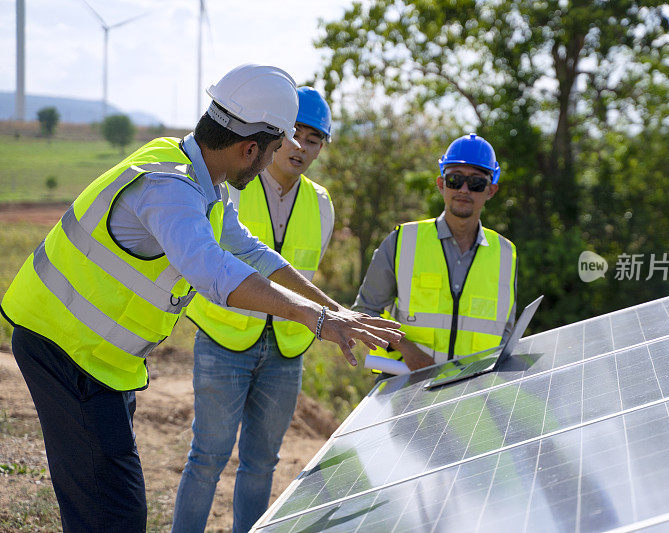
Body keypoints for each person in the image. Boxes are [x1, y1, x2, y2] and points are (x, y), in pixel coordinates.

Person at [0, 64, 401, 533]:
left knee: (100, 502)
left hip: (99, 358)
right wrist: (315, 320)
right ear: (250, 147)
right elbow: (217, 273)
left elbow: (249, 250)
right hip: (65, 347)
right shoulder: (170, 188)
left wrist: (331, 309)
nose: (277, 156)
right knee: (114, 514)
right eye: (274, 147)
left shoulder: (201, 180)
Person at [172, 87, 335, 532]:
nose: (302, 146)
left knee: (262, 463)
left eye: (315, 138)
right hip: (225, 339)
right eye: (295, 133)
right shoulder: (234, 184)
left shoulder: (322, 205)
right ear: (275, 134)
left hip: (285, 349)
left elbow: (303, 270)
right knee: (207, 457)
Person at [354, 133, 516, 374]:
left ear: (490, 191)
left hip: (469, 393)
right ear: (441, 184)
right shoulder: (402, 241)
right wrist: (407, 349)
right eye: (454, 180)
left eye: (476, 183)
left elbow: (505, 333)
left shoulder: (506, 253)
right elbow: (364, 312)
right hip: (404, 383)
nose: (464, 189)